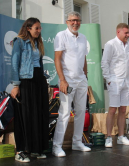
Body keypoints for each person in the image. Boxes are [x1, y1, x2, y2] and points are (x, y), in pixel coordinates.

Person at [52, 11, 91, 157]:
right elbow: (57, 59)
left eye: (78, 20)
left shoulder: (83, 37)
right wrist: (62, 80)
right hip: (67, 80)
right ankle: (57, 145)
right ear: (67, 21)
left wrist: (85, 78)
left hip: (81, 80)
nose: (75, 23)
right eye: (72, 20)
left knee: (81, 111)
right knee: (65, 113)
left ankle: (77, 142)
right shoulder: (61, 36)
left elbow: (84, 59)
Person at [10, 18, 49, 162]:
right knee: (24, 116)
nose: (39, 31)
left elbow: (38, 64)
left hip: (39, 80)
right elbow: (15, 64)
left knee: (39, 115)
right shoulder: (19, 41)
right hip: (26, 81)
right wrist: (16, 85)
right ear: (28, 28)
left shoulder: (38, 43)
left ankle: (36, 149)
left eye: (40, 28)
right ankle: (21, 151)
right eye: (36, 28)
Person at [101, 23, 129, 148]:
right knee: (112, 109)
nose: (128, 35)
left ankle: (121, 136)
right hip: (114, 80)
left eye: (128, 33)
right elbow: (104, 63)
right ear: (118, 32)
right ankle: (108, 137)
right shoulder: (110, 44)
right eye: (126, 33)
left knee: (123, 109)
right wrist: (108, 79)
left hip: (126, 81)